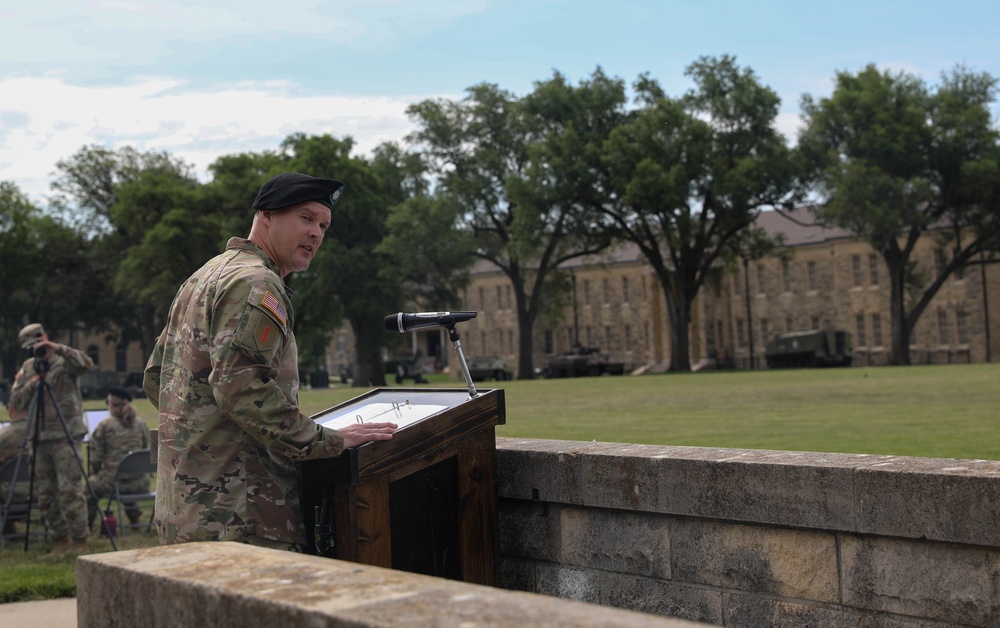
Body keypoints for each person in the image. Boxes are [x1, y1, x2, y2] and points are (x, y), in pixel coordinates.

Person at [144, 172, 397, 551]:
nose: (316, 234)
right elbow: (241, 391)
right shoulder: (257, 283)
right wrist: (327, 440)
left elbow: (156, 379)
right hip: (241, 513)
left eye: (324, 225)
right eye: (306, 218)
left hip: (185, 507)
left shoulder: (204, 276)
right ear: (266, 215)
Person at [9, 323, 94, 555]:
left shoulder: (64, 361)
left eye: (39, 345)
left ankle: (80, 539)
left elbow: (86, 363)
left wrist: (57, 348)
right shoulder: (28, 369)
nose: (38, 351)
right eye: (32, 348)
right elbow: (16, 402)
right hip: (39, 437)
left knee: (70, 490)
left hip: (65, 435)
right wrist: (33, 383)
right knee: (45, 494)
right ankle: (60, 538)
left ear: (45, 338)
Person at [86, 386, 151, 531]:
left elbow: (95, 457)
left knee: (90, 486)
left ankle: (87, 526)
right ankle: (135, 521)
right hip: (140, 482)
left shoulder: (105, 426)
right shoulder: (140, 424)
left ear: (111, 404)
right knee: (127, 473)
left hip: (115, 482)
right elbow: (143, 449)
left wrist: (95, 473)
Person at [0, 403, 31, 535]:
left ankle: (7, 527)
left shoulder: (4, 437)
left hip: (8, 493)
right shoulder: (40, 433)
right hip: (39, 491)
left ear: (11, 409)